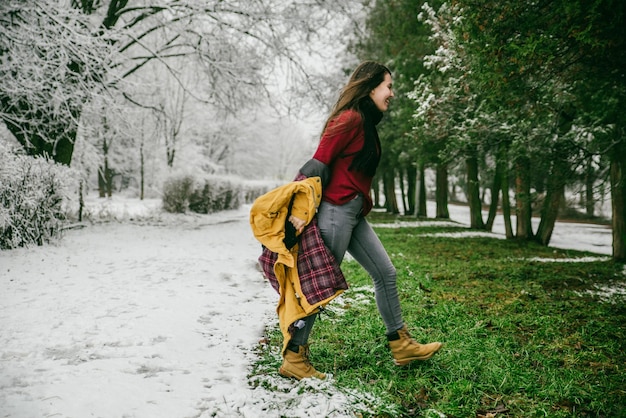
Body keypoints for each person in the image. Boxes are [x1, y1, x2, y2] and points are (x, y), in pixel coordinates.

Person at [285, 61, 442, 379]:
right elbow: (318, 162)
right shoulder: (349, 119)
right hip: (335, 211)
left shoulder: (365, 122)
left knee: (385, 273)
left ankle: (401, 345)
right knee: (319, 286)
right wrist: (298, 213)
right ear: (371, 87)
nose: (392, 93)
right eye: (388, 86)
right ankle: (294, 358)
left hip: (353, 213)